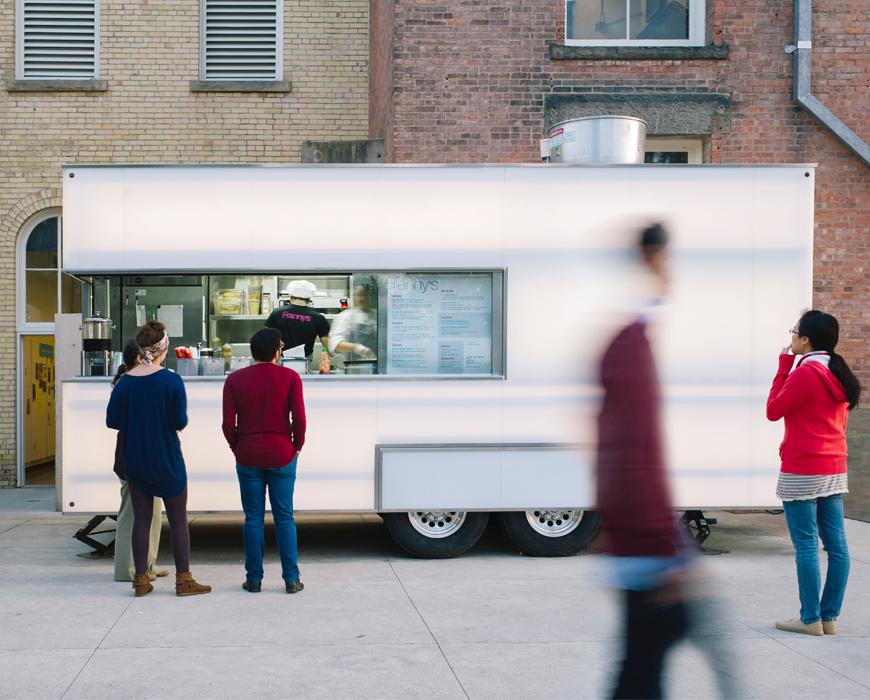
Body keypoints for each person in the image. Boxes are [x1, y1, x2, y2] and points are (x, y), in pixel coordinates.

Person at [596, 223, 689, 699]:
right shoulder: (633, 346)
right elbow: (636, 451)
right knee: (642, 670)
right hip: (646, 542)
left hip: (638, 535)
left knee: (639, 664)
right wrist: (663, 545)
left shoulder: (631, 340)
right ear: (656, 258)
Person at [767, 310, 860, 636]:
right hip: (834, 467)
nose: (791, 337)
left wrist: (783, 366)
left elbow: (773, 410)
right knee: (837, 547)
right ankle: (828, 617)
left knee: (807, 546)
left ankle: (810, 619)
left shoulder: (806, 374)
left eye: (794, 332)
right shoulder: (838, 372)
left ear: (805, 339)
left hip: (803, 469)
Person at [106, 320, 211, 597]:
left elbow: (112, 421)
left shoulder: (125, 382)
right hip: (167, 458)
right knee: (178, 519)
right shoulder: (171, 380)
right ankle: (184, 580)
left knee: (141, 519)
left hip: (135, 458)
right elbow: (180, 421)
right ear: (164, 347)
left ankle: (141, 580)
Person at [222, 328, 306, 594]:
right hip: (282, 454)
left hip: (248, 455)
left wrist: (237, 446)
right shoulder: (290, 377)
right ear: (277, 352)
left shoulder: (234, 380)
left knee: (253, 519)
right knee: (284, 517)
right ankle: (291, 579)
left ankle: (254, 579)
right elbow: (300, 420)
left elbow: (227, 424)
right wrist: (296, 446)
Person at [112, 339, 167, 583]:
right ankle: (126, 569)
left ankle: (148, 564)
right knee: (131, 515)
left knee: (154, 514)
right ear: (138, 358)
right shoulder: (128, 383)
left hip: (146, 454)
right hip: (132, 455)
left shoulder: (138, 381)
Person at [266, 280, 331, 364]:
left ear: (292, 296)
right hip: (305, 362)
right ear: (309, 299)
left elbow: (266, 339)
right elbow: (328, 347)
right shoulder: (318, 317)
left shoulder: (277, 313)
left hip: (280, 360)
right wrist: (327, 353)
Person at [328, 280, 378, 359]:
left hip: (374, 365)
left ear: (370, 296)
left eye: (365, 294)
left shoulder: (377, 315)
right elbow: (334, 345)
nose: (362, 298)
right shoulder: (344, 316)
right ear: (353, 296)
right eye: (359, 295)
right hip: (352, 367)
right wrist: (360, 348)